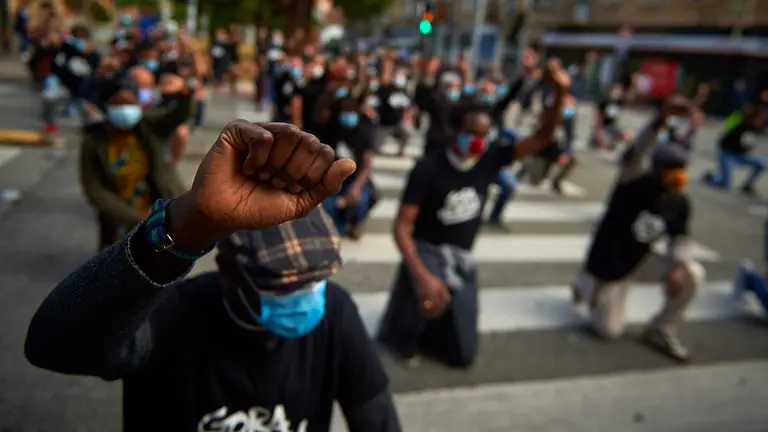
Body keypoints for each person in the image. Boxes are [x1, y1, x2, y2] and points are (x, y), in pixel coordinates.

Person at [25, 121, 400, 432]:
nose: (305, 294)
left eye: (316, 278)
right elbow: (55, 347)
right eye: (282, 284)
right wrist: (186, 227)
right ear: (231, 270)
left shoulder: (334, 312)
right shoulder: (171, 317)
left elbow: (377, 418)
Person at [377, 59, 571, 367]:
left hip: (462, 255)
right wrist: (421, 274)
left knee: (462, 353)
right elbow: (401, 227)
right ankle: (403, 331)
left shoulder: (490, 160)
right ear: (455, 131)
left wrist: (559, 93)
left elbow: (542, 138)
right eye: (471, 133)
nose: (478, 141)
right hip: (427, 250)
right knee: (415, 318)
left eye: (484, 134)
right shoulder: (428, 169)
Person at [571, 96, 704, 362]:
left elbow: (680, 238)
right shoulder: (632, 185)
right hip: (609, 267)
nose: (678, 174)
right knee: (608, 331)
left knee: (693, 273)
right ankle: (587, 285)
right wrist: (660, 119)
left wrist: (677, 267)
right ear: (656, 168)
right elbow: (637, 152)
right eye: (671, 168)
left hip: (640, 260)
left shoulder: (679, 202)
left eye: (682, 168)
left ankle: (660, 328)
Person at [79, 70, 193, 249]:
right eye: (120, 103)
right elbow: (94, 189)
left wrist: (183, 92)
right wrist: (136, 217)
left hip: (159, 212)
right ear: (107, 106)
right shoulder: (94, 141)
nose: (126, 109)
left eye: (131, 103)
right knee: (119, 263)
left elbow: (178, 115)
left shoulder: (148, 126)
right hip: (119, 218)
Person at [322, 97, 376, 239]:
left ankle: (355, 223)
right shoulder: (330, 130)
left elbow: (366, 166)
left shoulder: (364, 131)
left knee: (360, 200)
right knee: (327, 205)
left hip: (355, 179)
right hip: (333, 179)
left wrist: (356, 188)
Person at [703, 91, 768, 196]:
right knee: (724, 183)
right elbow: (726, 135)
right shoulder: (742, 124)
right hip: (727, 153)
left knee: (762, 163)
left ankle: (747, 185)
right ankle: (710, 177)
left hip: (740, 155)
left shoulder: (756, 129)